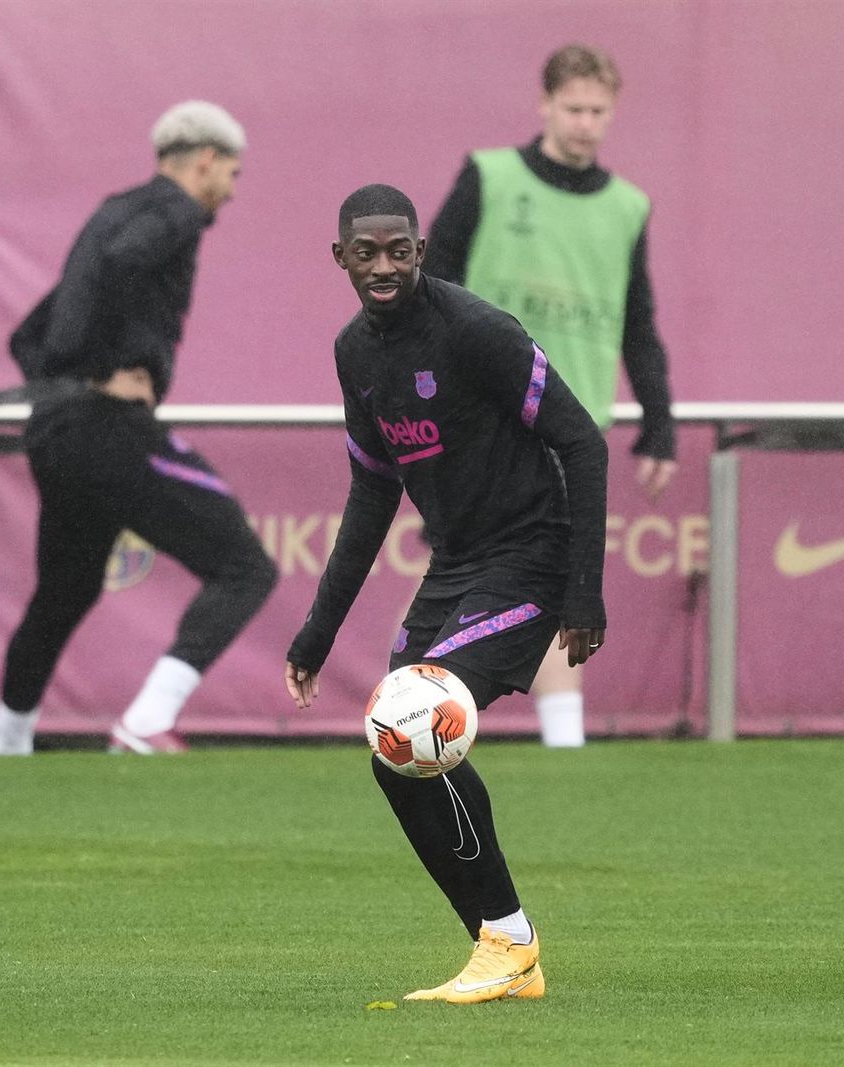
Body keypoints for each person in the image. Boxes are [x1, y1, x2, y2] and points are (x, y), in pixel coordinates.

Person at [284, 184, 608, 1002]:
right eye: (367, 253)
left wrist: (584, 591)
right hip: (457, 563)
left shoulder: (475, 330)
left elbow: (583, 440)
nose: (384, 266)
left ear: (421, 251)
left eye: (400, 250)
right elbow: (372, 492)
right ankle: (503, 945)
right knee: (396, 755)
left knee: (413, 722)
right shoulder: (354, 353)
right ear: (340, 257)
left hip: (532, 553)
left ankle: (509, 945)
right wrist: (319, 630)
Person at [0, 101, 277, 756]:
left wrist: (65, 389)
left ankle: (8, 748)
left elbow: (27, 336)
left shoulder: (110, 212)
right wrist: (106, 372)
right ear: (205, 161)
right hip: (107, 430)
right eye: (232, 174)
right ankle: (145, 722)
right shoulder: (178, 212)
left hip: (56, 433)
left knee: (64, 593)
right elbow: (125, 264)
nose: (231, 192)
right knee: (245, 568)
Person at [424, 42, 675, 748]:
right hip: (484, 417)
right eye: (574, 108)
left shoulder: (627, 206)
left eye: (598, 111)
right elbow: (430, 287)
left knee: (555, 571)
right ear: (544, 105)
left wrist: (659, 425)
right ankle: (410, 702)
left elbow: (638, 324)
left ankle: (562, 739)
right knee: (458, 568)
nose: (586, 123)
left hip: (571, 428)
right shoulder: (490, 176)